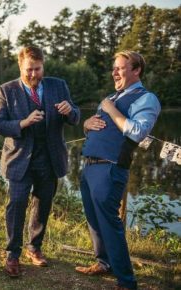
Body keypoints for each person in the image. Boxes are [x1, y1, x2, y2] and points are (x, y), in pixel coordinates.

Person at [76, 50, 161, 290]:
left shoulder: (146, 99)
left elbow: (136, 132)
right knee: (94, 220)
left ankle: (126, 281)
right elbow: (98, 128)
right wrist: (85, 124)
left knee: (110, 223)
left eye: (120, 67)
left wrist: (109, 108)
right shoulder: (113, 96)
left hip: (110, 168)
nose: (114, 72)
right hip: (90, 166)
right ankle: (103, 263)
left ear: (136, 71)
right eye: (114, 67)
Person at [0, 46, 80, 277]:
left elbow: (75, 117)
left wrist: (69, 110)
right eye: (28, 70)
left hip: (50, 158)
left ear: (43, 66)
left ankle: (35, 248)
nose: (33, 74)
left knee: (43, 206)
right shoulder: (6, 90)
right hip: (19, 159)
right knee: (16, 205)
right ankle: (13, 254)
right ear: (20, 67)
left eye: (37, 69)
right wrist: (23, 123)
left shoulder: (58, 85)